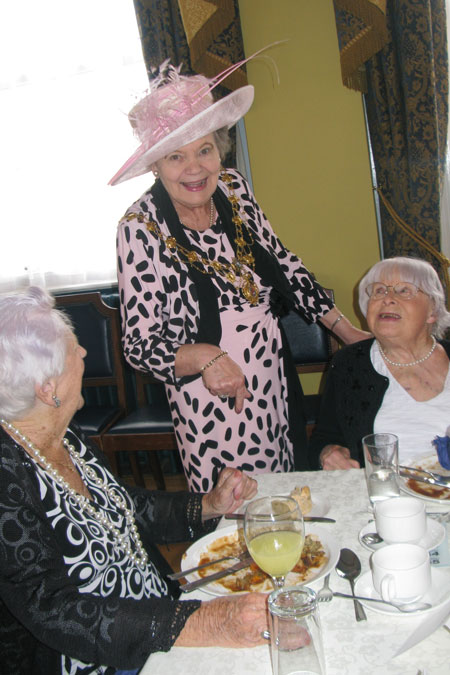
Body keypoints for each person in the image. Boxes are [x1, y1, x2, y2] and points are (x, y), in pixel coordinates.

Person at [111, 61, 368, 492]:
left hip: (270, 373)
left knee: (286, 489)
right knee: (236, 504)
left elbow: (284, 263)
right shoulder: (139, 228)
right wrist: (205, 358)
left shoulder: (234, 189)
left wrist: (346, 331)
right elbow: (140, 346)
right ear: (156, 165)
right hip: (210, 396)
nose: (194, 168)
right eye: (177, 156)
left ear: (220, 149)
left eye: (204, 150)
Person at [0, 287, 269, 675]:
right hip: (104, 658)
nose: (84, 354)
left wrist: (209, 504)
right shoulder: (8, 477)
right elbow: (53, 609)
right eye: (74, 349)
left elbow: (129, 505)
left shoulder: (66, 439)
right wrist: (201, 623)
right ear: (48, 388)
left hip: (157, 617)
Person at [308, 257, 450, 470]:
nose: (388, 298)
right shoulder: (349, 364)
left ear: (433, 312)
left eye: (404, 290)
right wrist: (327, 453)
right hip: (384, 495)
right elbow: (323, 439)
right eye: (379, 291)